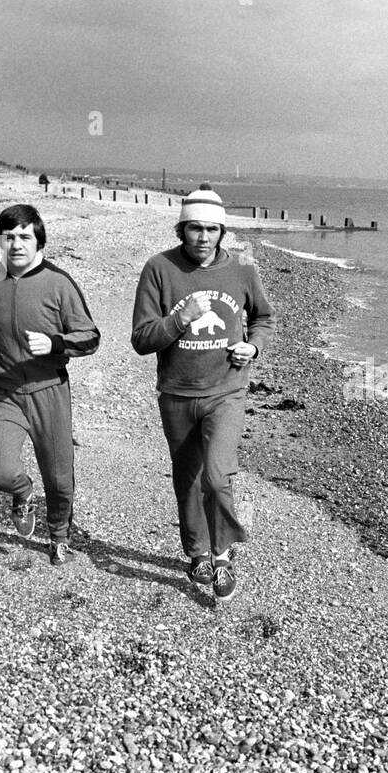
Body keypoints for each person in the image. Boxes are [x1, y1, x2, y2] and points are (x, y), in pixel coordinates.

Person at [131, 185, 274, 600]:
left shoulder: (243, 272)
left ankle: (223, 554)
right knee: (187, 478)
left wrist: (254, 345)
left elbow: (264, 319)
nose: (203, 238)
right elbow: (142, 338)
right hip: (176, 393)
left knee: (217, 474)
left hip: (226, 391)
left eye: (212, 229)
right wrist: (181, 320)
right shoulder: (158, 269)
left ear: (222, 231)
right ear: (182, 228)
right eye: (195, 228)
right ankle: (197, 553)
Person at [0, 204, 100, 565]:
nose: (16, 245)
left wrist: (55, 343)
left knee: (58, 475)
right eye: (9, 237)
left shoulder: (58, 283)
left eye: (25, 237)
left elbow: (90, 337)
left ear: (40, 242)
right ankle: (22, 494)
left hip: (48, 391)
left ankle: (58, 536)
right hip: (3, 391)